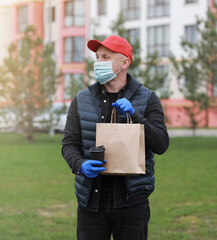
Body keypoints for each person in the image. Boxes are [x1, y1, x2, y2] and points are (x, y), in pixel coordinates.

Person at [61, 35, 169, 240]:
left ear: (125, 62)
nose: (98, 62)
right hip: (90, 204)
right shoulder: (81, 99)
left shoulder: (147, 98)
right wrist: (79, 164)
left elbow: (161, 144)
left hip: (132, 204)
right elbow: (69, 143)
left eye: (105, 57)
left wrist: (136, 116)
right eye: (97, 57)